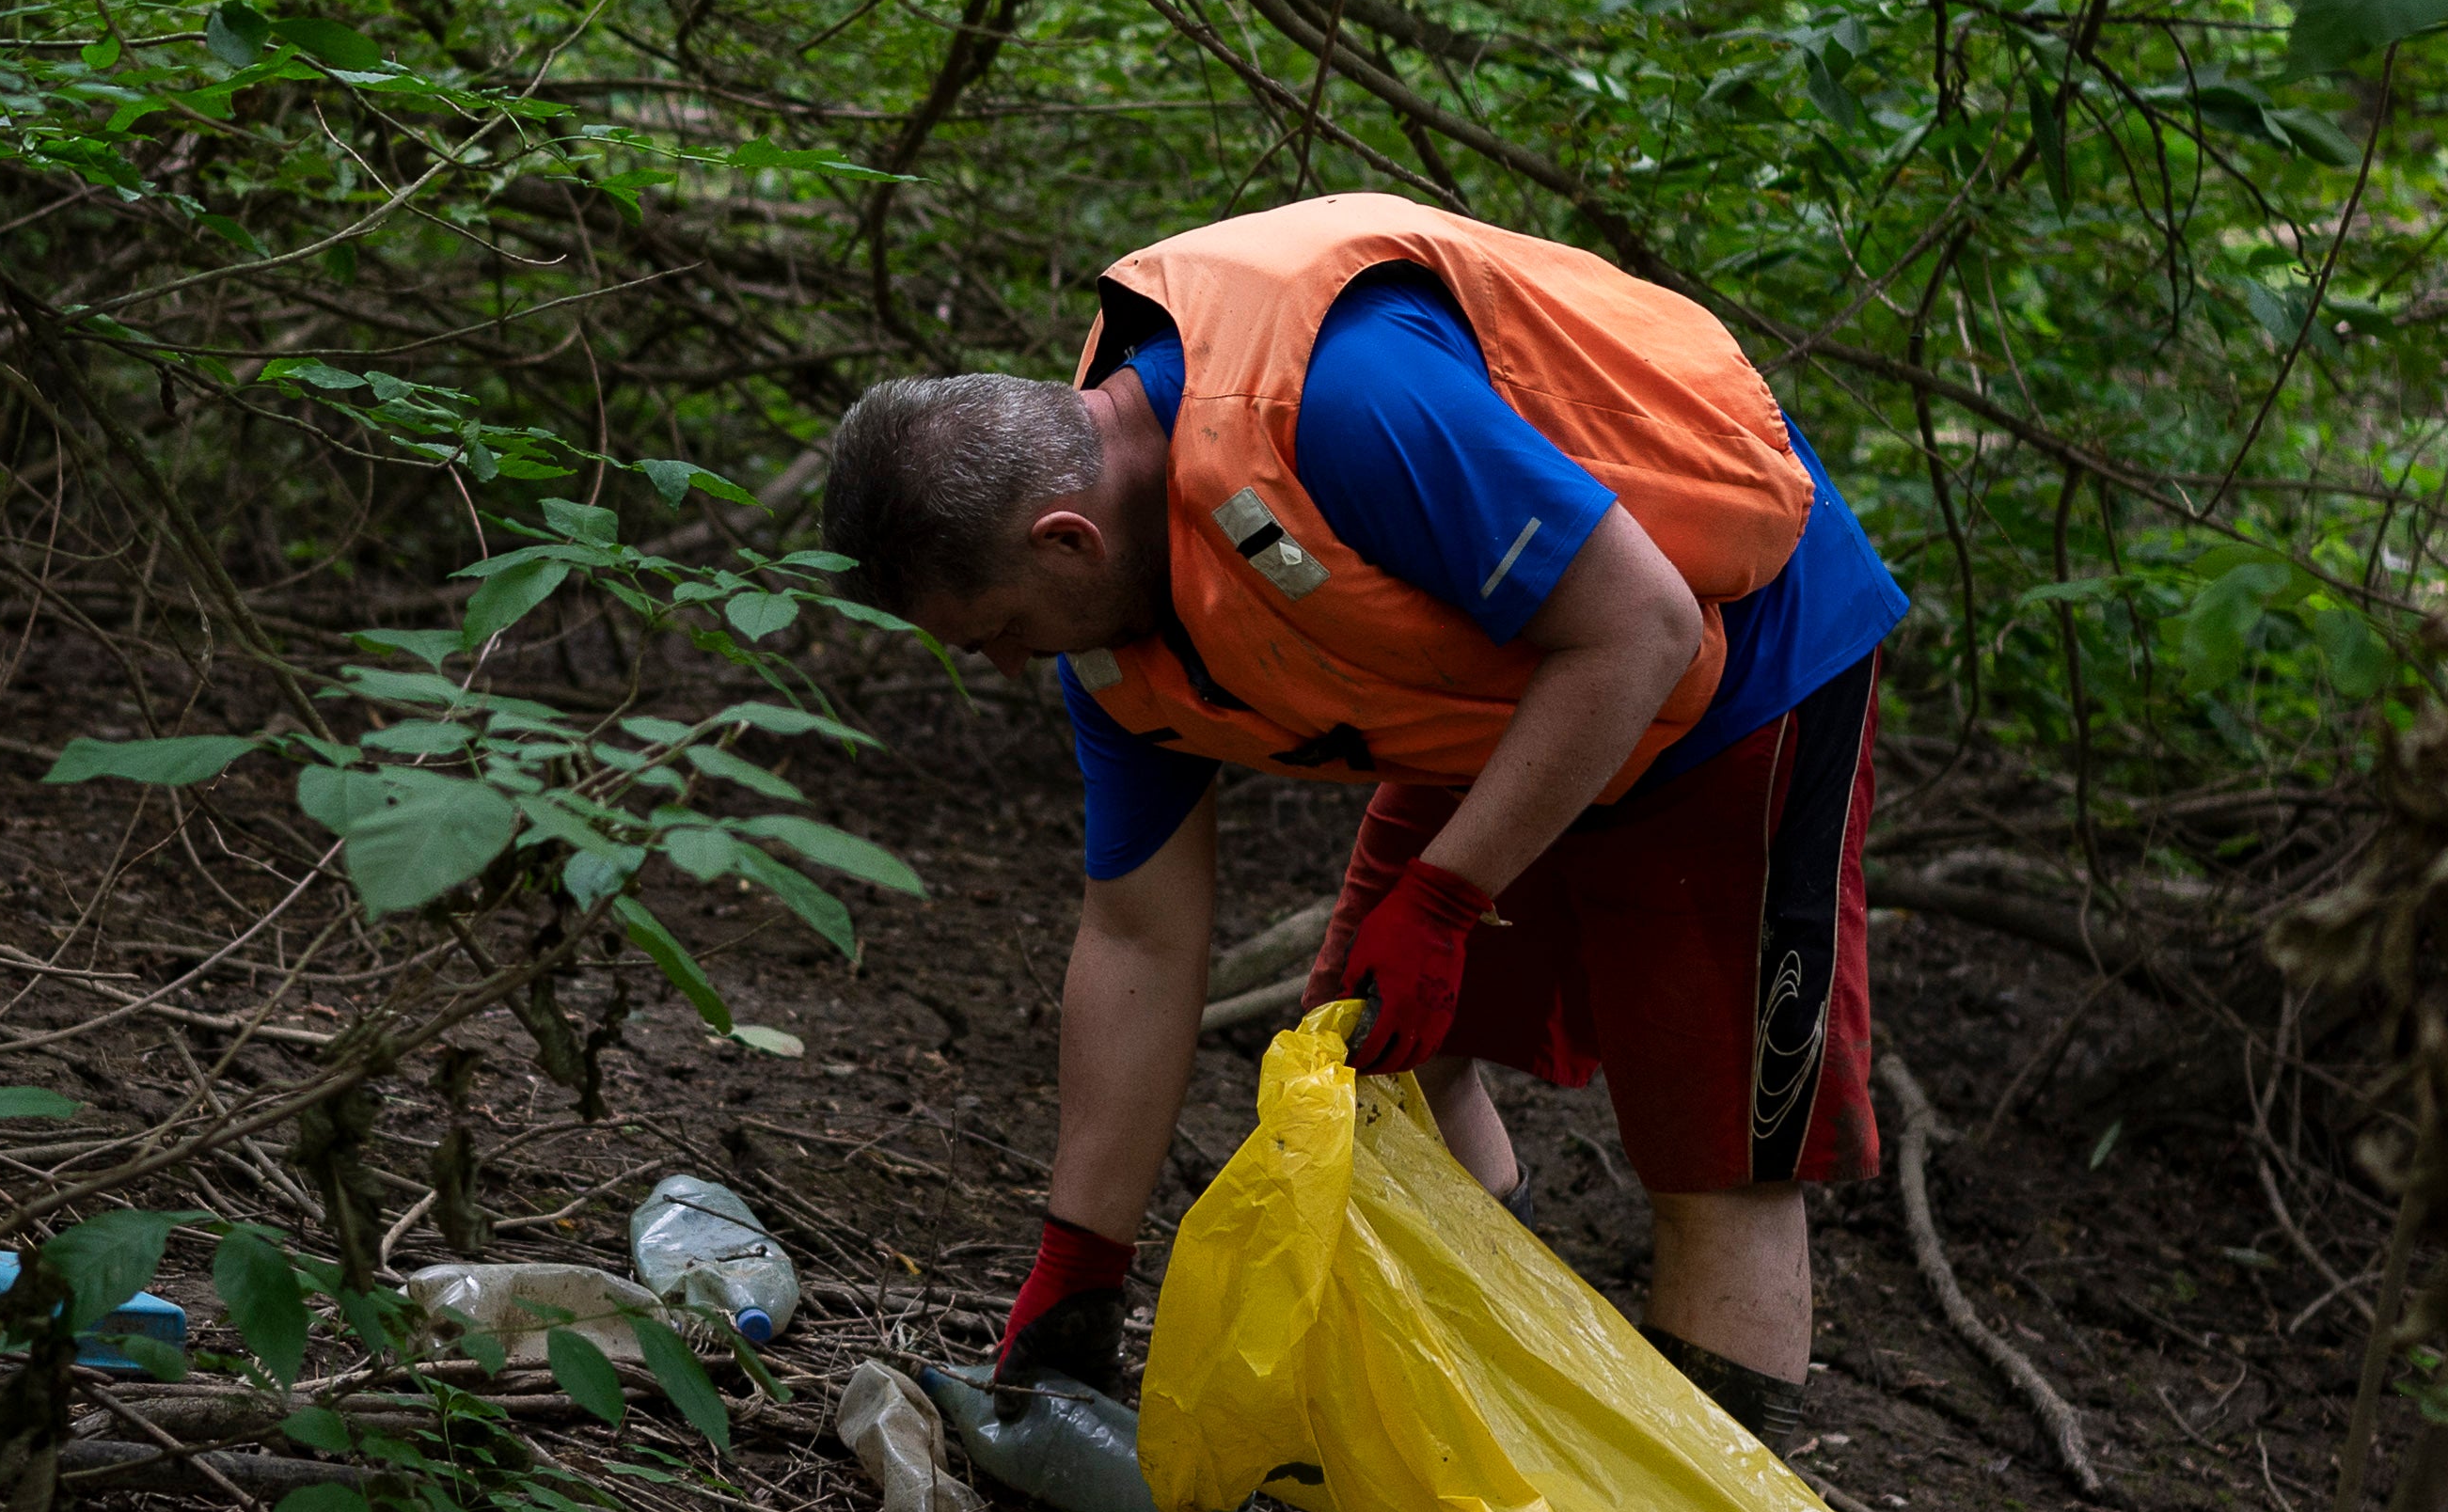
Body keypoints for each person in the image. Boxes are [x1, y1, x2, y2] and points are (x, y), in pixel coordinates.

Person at [818, 192, 1908, 1446]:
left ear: (1061, 539)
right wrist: (1081, 1259)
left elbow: (1641, 627)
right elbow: (1136, 938)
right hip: (1508, 679)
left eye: (1000, 632)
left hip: (1733, 666)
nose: (1011, 667)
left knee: (1710, 1152)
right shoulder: (1116, 635)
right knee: (1371, 1057)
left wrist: (1443, 896)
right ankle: (1472, 1408)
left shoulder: (1341, 409)